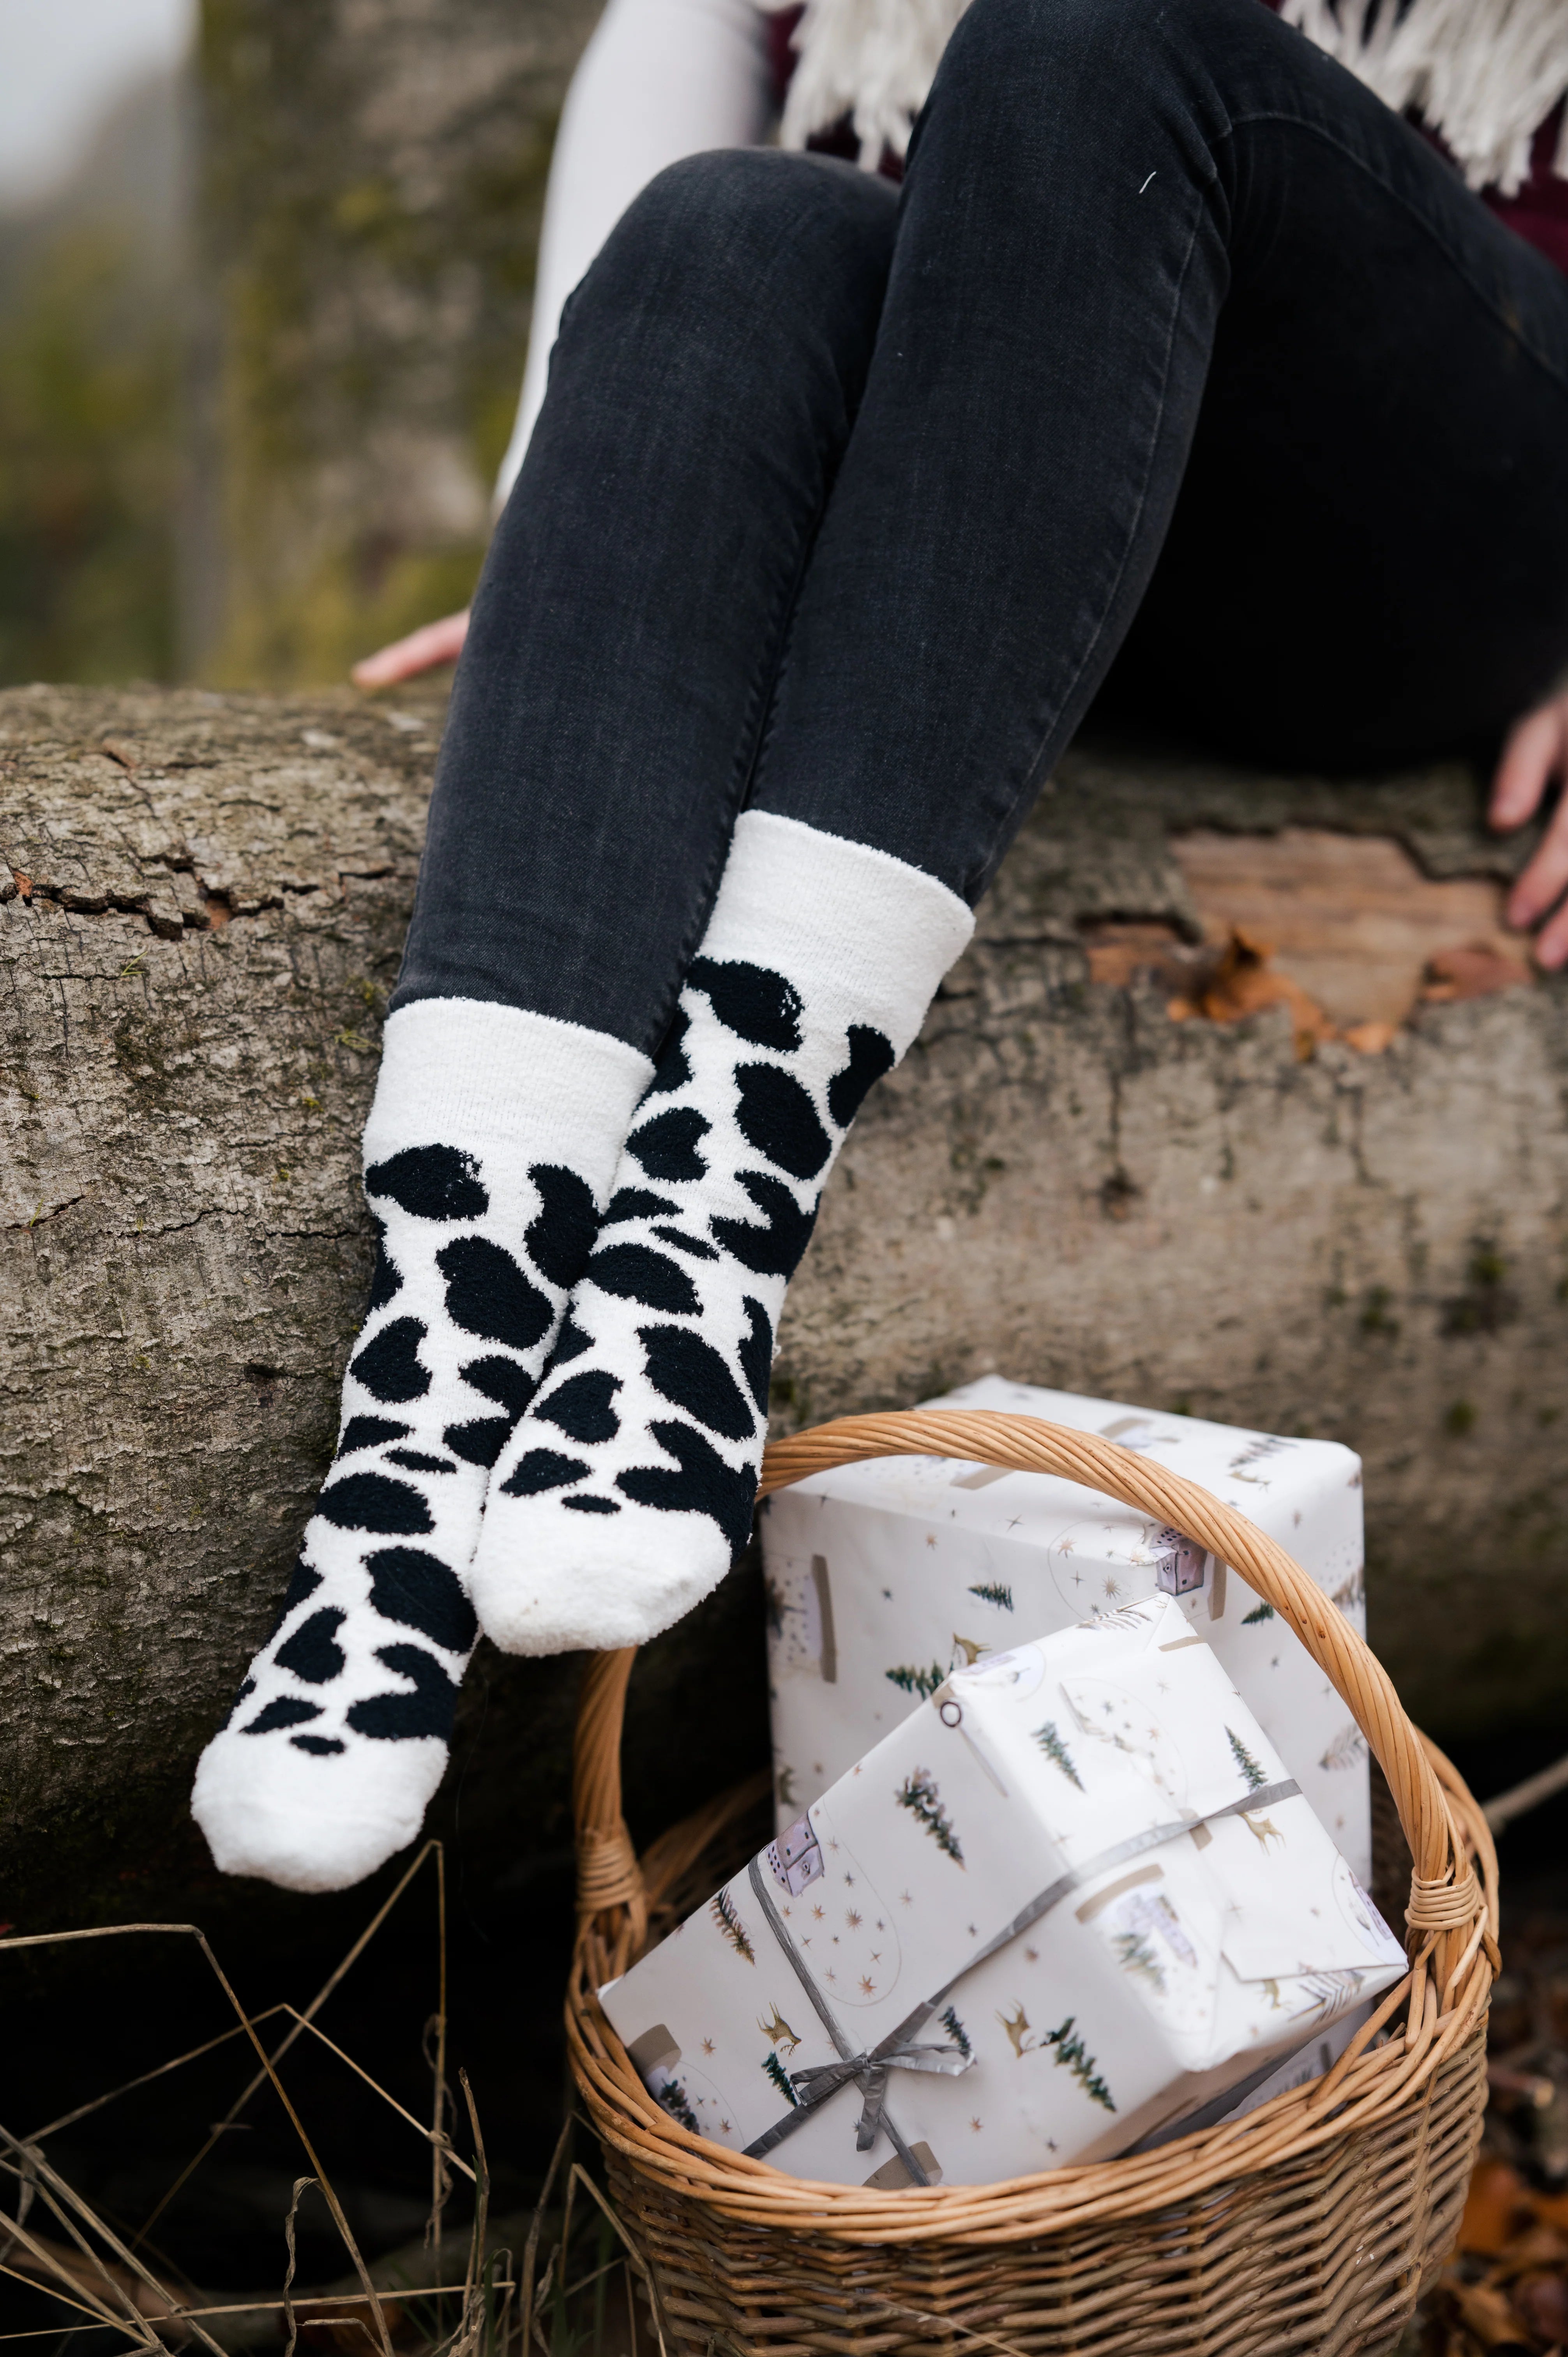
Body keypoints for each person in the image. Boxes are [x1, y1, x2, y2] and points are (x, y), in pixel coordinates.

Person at [193, 0, 1568, 1894]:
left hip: (1421, 491)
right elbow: (694, 28)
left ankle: (708, 1222)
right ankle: (425, 1438)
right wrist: (592, 516)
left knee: (1096, 34)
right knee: (721, 235)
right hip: (1002, 437)